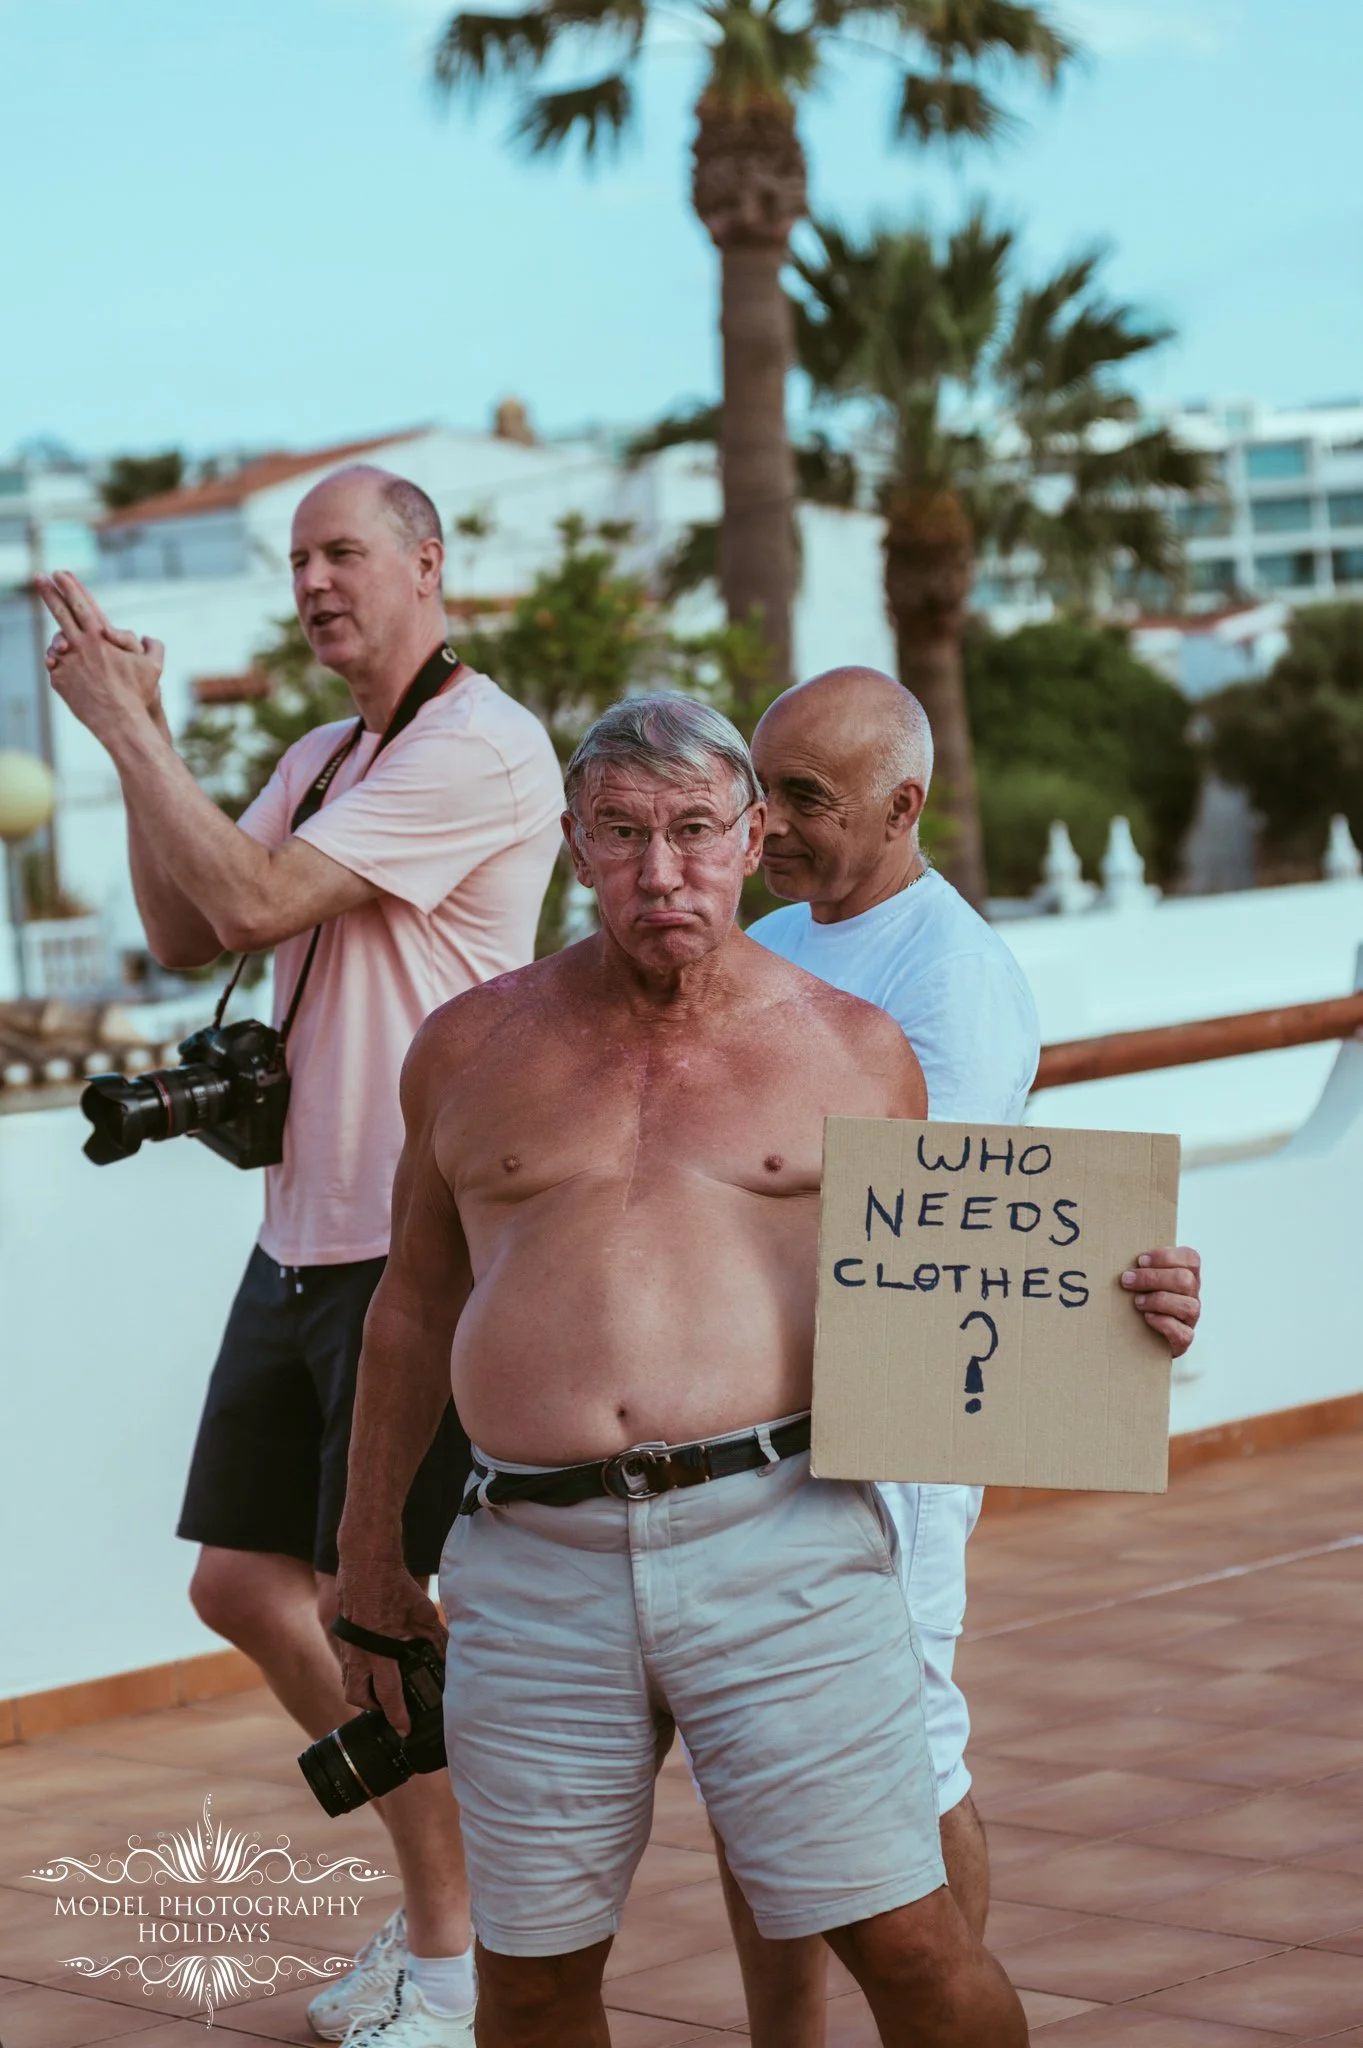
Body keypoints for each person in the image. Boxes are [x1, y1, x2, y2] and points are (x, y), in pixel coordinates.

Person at [331, 690, 1185, 2048]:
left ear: (743, 840)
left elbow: (951, 1278)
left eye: (689, 831)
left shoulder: (851, 1048)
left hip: (780, 1543)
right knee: (533, 1975)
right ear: (572, 843)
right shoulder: (470, 1048)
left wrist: (1121, 1304)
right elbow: (410, 1312)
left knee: (906, 1948)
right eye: (619, 833)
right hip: (531, 1563)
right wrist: (368, 1560)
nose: (657, 870)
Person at [38, 466, 565, 2048]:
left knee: (375, 1610)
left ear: (427, 563)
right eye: (297, 561)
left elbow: (257, 890)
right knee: (242, 1581)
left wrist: (133, 731)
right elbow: (196, 931)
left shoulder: (482, 742)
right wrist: (147, 759)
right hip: (300, 1239)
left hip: (421, 1250)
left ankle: (460, 1960)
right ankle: (451, 1929)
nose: (316, 581)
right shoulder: (326, 751)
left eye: (344, 553)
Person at [705, 663, 1200, 2046]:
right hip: (758, 1416)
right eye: (762, 791)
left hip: (893, 1430)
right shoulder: (784, 936)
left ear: (901, 804)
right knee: (760, 1772)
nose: (773, 825)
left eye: (804, 798)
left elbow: (916, 1230)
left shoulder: (953, 976)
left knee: (909, 1761)